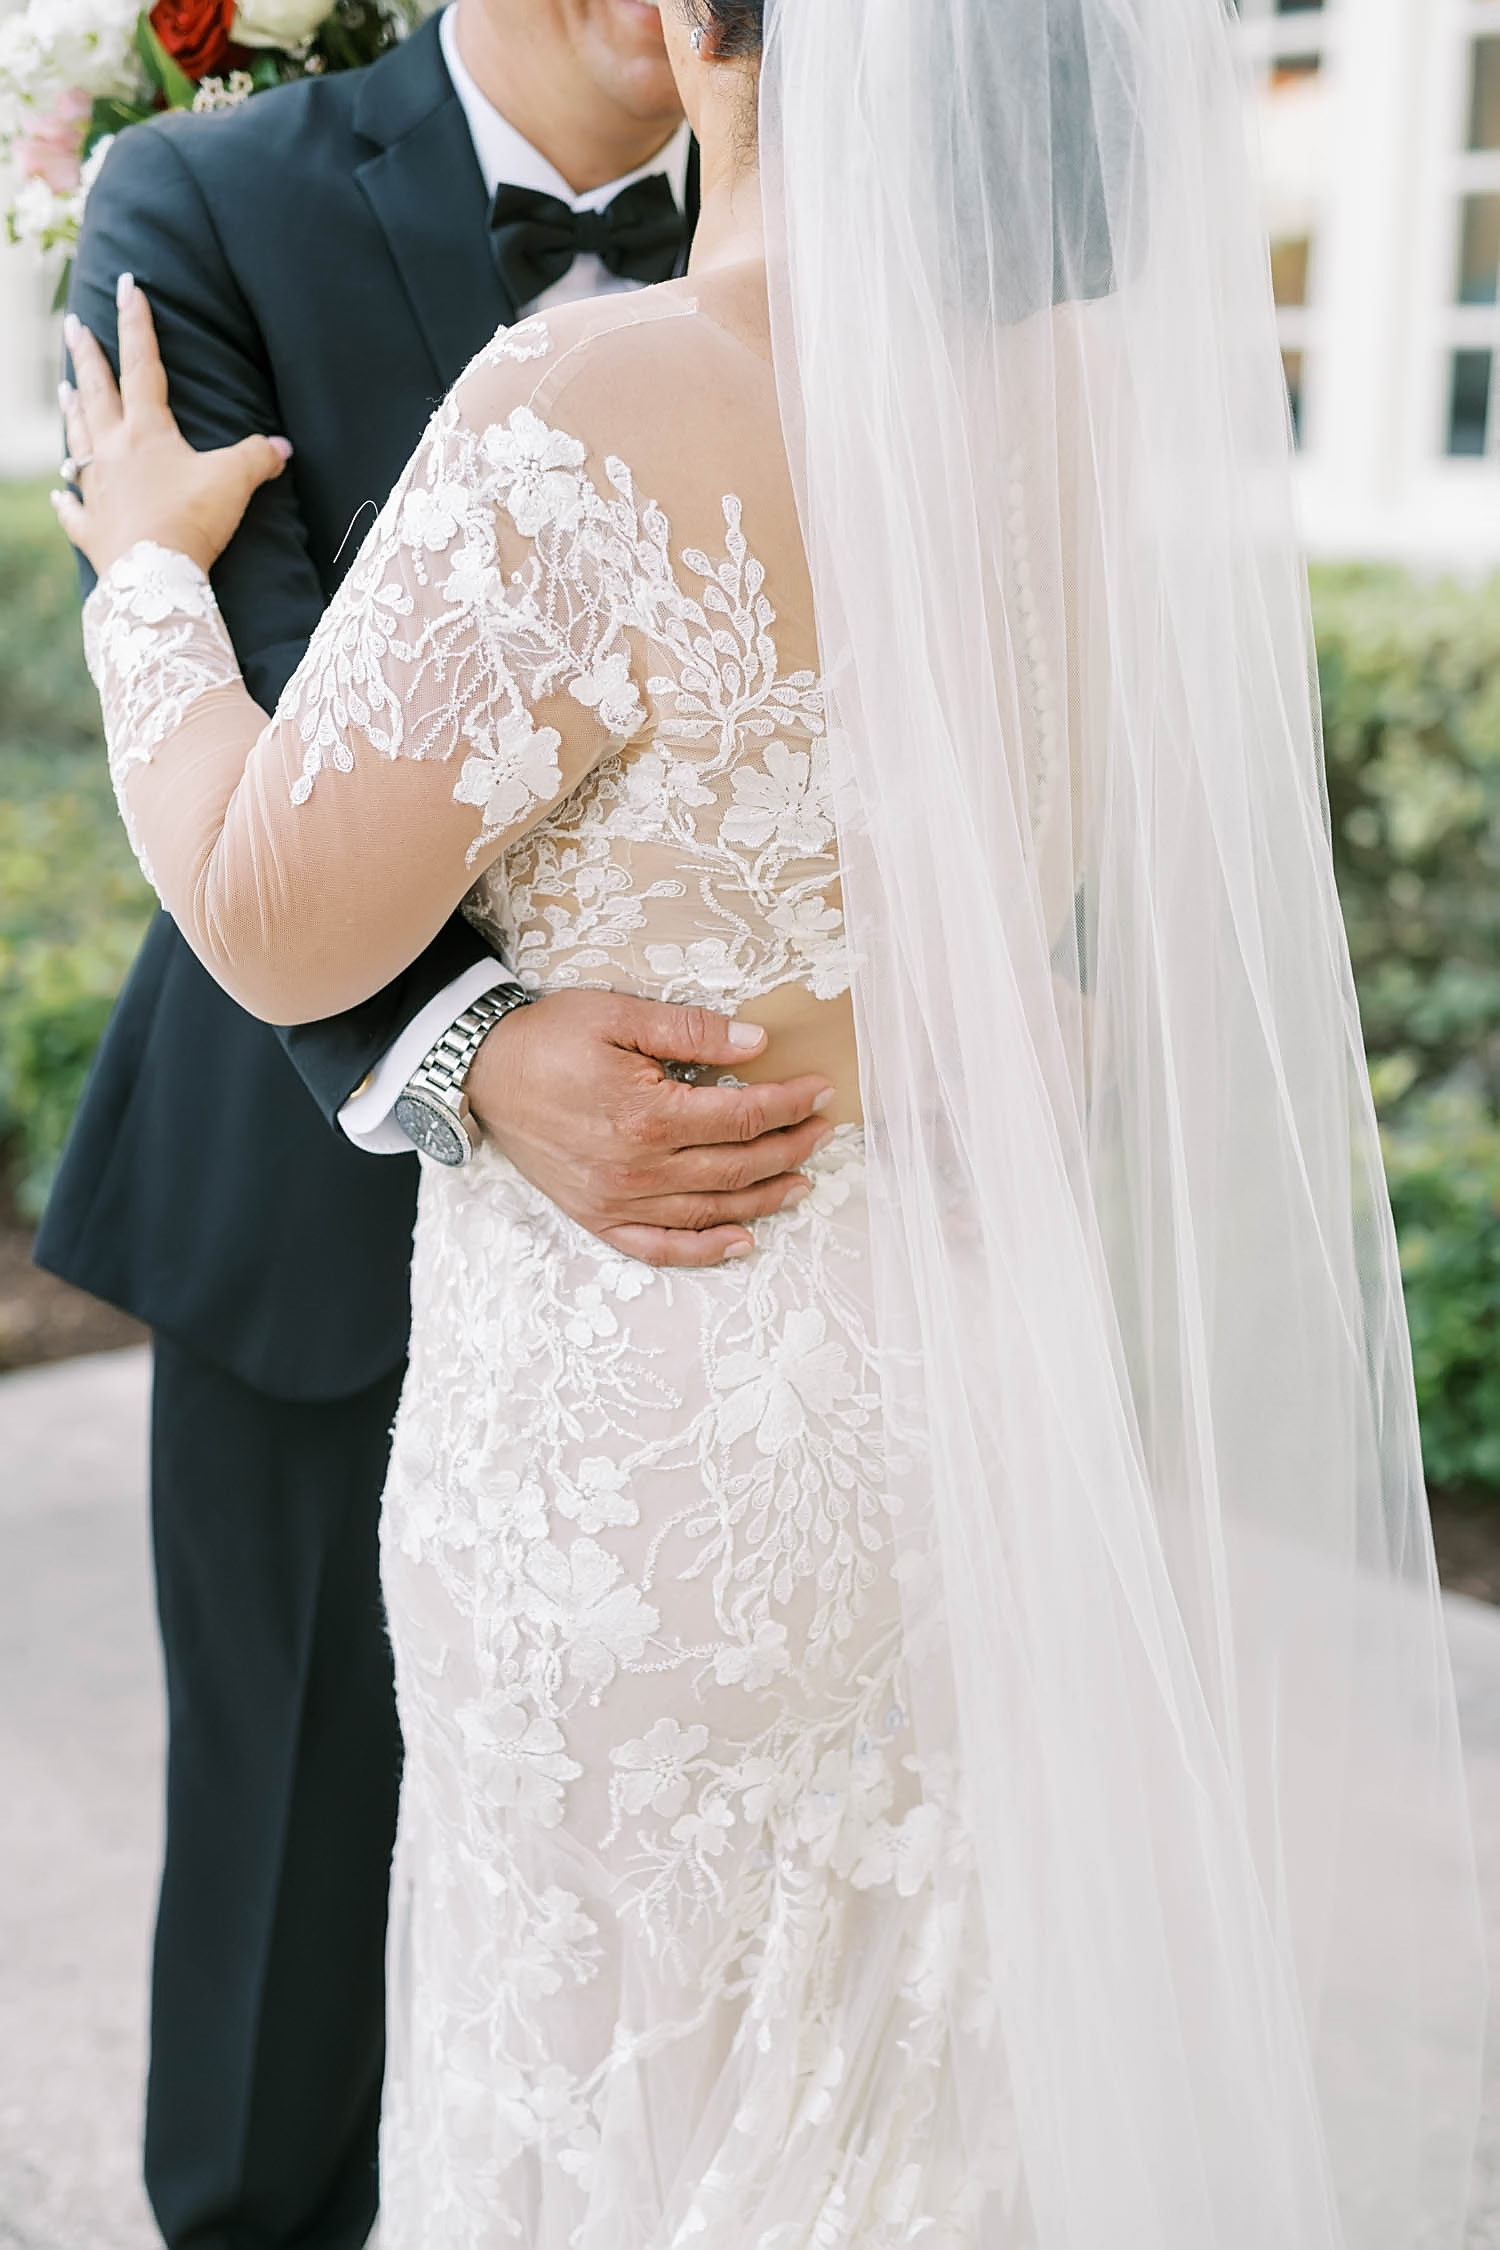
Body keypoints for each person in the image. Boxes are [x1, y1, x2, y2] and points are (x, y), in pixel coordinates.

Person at [53, 0, 1485, 2242]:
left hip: (651, 1435)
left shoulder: (595, 396)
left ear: (729, 42)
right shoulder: (1094, 421)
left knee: (608, 2099)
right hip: (947, 1403)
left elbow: (270, 916)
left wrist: (144, 570)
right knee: (894, 2108)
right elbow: (1038, 920)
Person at [35, 4, 834, 2244]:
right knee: (282, 1884)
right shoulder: (200, 195)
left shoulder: (857, 229)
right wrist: (473, 1044)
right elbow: (264, 712)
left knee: (694, 1976)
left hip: (724, 1259)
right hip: (308, 1186)